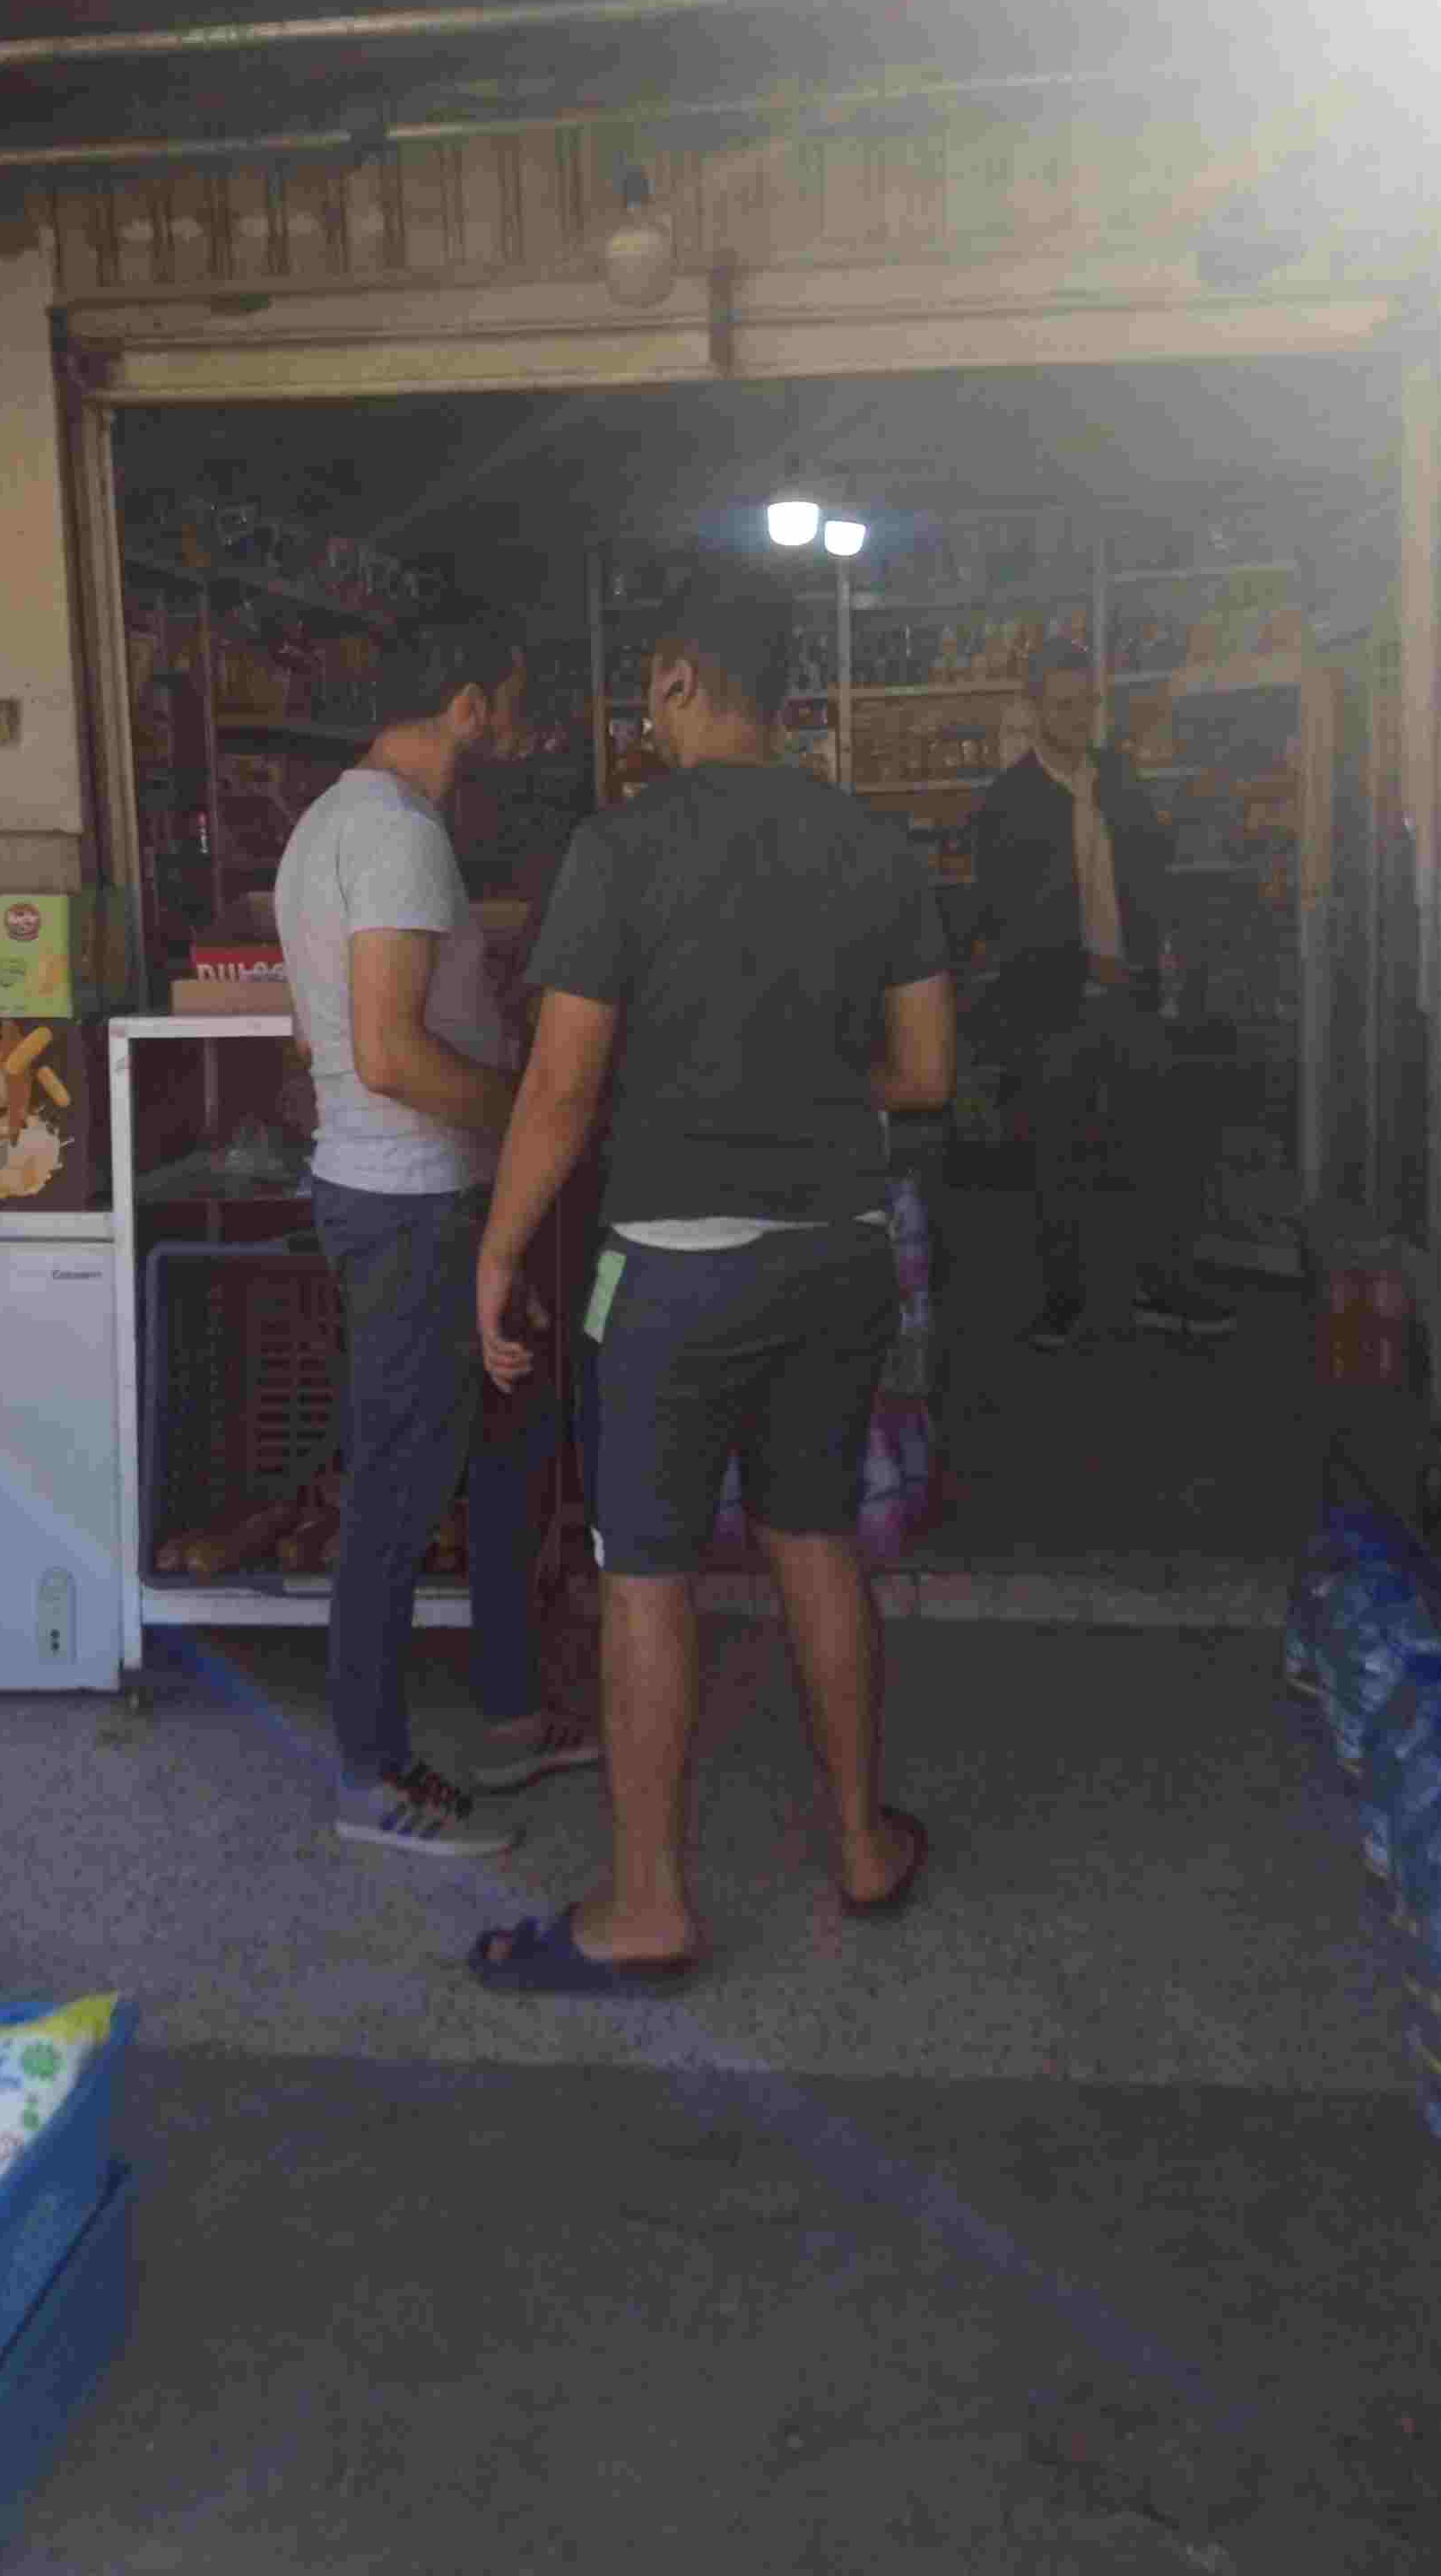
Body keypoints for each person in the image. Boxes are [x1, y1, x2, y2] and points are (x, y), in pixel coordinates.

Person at [459, 573, 957, 1993]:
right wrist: (806, 1093)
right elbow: (927, 1075)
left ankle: (647, 1906)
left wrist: (498, 1252)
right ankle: (861, 1844)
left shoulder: (620, 848)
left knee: (647, 1572)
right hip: (840, 1253)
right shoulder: (874, 845)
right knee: (816, 1539)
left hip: (674, 1276)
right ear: (784, 692)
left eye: (651, 689)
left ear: (677, 679)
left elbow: (562, 1087)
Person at [273, 610, 601, 1858]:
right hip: (410, 1201)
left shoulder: (332, 824)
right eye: (513, 699)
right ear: (469, 705)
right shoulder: (399, 835)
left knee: (506, 1442)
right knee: (400, 1487)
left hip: (418, 1190)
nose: (524, 725)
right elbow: (390, 1054)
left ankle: (512, 1712)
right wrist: (534, 1113)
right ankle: (370, 1773)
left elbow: (319, 1043)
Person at [972, 637, 1237, 1353]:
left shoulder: (1119, 780)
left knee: (1157, 1148)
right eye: (1061, 705)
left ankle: (1162, 1287)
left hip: (1132, 998)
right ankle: (1063, 1302)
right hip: (1052, 1007)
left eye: (1085, 703)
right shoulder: (1008, 803)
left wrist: (1159, 956)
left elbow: (1152, 876)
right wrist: (1084, 961)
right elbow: (1002, 917)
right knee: (1056, 1159)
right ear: (1034, 710)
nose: (1076, 717)